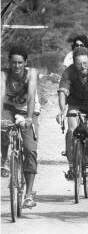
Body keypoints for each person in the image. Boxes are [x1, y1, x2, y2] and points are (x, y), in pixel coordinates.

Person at [1, 45, 41, 208]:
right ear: (9, 62)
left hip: (28, 111)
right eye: (13, 62)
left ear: (25, 63)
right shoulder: (4, 74)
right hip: (9, 109)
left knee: (30, 149)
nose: (16, 66)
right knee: (2, 130)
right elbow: (1, 94)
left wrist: (30, 118)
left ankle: (29, 194)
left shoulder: (31, 73)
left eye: (20, 63)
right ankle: (4, 160)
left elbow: (31, 96)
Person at [56, 47, 88, 180]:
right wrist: (62, 110)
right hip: (75, 104)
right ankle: (71, 166)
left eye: (85, 63)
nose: (83, 66)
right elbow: (62, 91)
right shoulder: (68, 72)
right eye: (79, 64)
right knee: (72, 131)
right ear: (73, 63)